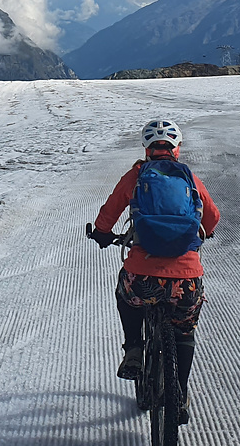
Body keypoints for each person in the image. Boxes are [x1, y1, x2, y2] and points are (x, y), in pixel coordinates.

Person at [88, 119, 220, 423]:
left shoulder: (137, 175)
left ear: (146, 148)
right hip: (186, 280)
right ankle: (179, 396)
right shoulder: (189, 178)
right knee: (183, 331)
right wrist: (203, 232)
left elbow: (109, 213)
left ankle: (134, 348)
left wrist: (102, 233)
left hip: (142, 276)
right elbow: (212, 218)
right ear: (177, 148)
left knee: (126, 293)